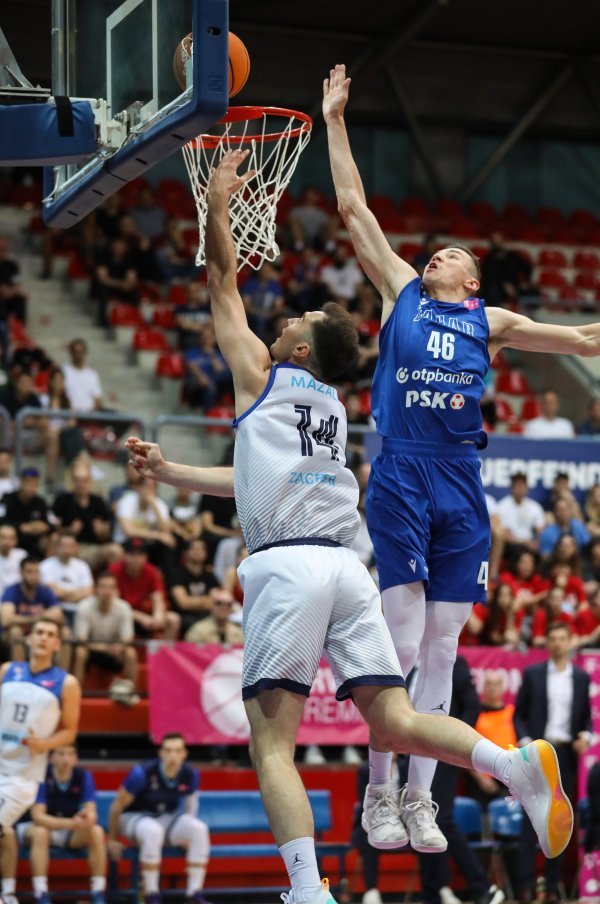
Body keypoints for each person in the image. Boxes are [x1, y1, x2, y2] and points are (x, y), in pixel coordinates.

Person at [124, 149, 574, 904]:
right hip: (344, 572)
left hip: (287, 568)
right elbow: (252, 478)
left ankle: (307, 890)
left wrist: (217, 203)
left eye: (294, 322)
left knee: (273, 744)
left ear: (298, 352)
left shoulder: (258, 377)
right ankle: (511, 765)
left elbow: (222, 281)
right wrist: (172, 473)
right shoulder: (333, 409)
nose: (282, 321)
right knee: (395, 715)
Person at [323, 62, 600, 855]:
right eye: (434, 249)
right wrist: (335, 120)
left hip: (460, 480)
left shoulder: (493, 321)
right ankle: (379, 792)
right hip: (403, 469)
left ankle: (421, 799)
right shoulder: (401, 291)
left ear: (471, 279)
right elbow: (353, 206)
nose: (436, 253)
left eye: (451, 252)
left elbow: (584, 338)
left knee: (444, 644)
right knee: (402, 643)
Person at [0, 617, 81, 904]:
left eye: (50, 634)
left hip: (21, 776)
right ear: (29, 639)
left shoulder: (66, 683)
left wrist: (44, 744)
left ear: (57, 644)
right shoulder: (8, 670)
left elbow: (70, 731)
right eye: (39, 632)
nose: (44, 637)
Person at [513, 621, 592, 904]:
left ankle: (552, 888)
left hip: (565, 756)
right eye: (553, 638)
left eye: (562, 638)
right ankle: (525, 887)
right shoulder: (533, 674)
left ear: (570, 642)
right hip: (537, 753)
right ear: (547, 643)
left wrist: (585, 735)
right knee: (529, 821)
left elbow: (585, 719)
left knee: (559, 821)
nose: (558, 643)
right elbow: (518, 714)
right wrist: (525, 744)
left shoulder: (581, 678)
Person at [107, 732, 211, 904]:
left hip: (165, 818)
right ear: (161, 753)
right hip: (133, 817)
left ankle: (194, 893)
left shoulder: (190, 774)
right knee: (152, 831)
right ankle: (152, 894)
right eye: (168, 750)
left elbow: (190, 806)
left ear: (184, 753)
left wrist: (185, 836)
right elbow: (116, 807)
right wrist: (112, 839)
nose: (173, 755)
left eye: (177, 751)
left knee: (199, 830)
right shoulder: (142, 773)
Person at [17, 744, 106, 904]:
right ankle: (41, 892)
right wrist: (72, 823)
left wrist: (86, 817)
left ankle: (98, 891)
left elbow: (91, 811)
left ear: (76, 758)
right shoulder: (41, 776)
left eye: (70, 754)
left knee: (96, 831)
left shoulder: (83, 776)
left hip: (65, 829)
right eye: (61, 754)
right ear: (50, 758)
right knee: (41, 833)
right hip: (33, 827)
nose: (66, 758)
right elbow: (38, 817)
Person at [73, 572, 137, 686]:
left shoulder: (124, 607)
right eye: (103, 587)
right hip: (92, 649)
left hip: (114, 651)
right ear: (96, 589)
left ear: (116, 590)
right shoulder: (84, 607)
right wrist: (103, 648)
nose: (107, 591)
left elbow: (128, 637)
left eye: (111, 587)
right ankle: (76, 691)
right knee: (80, 652)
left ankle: (130, 691)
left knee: (130, 653)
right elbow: (81, 639)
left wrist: (119, 647)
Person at [108, 538, 180, 640]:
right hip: (123, 614)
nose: (136, 558)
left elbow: (158, 598)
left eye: (140, 554)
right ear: (124, 556)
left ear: (146, 557)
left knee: (173, 619)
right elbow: (113, 603)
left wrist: (158, 616)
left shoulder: (151, 571)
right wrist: (141, 618)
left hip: (145, 614)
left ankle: (163, 650)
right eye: (132, 554)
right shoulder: (114, 570)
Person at [1, 557, 64, 662]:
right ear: (21, 573)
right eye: (29, 572)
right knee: (15, 631)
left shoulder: (45, 591)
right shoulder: (11, 591)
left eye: (36, 572)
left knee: (65, 632)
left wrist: (21, 619)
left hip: (38, 631)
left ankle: (59, 672)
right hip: (15, 634)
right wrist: (37, 618)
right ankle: (20, 670)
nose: (34, 577)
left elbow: (58, 615)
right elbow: (6, 619)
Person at [169, 539, 220, 636]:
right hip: (184, 617)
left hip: (207, 616)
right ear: (185, 553)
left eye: (201, 549)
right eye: (194, 549)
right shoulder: (177, 574)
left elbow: (216, 600)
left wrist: (192, 601)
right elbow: (183, 603)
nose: (198, 552)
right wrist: (205, 600)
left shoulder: (209, 575)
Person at [40, 532, 94, 620]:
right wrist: (78, 592)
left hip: (79, 610)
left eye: (70, 546)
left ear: (76, 547)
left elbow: (88, 592)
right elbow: (51, 592)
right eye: (64, 546)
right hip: (55, 608)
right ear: (57, 546)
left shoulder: (82, 566)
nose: (67, 550)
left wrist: (62, 594)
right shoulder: (45, 565)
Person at [62, 339, 103, 412]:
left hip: (89, 415)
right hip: (69, 414)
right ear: (71, 353)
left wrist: (91, 414)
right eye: (75, 352)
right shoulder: (64, 371)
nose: (78, 355)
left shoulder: (92, 375)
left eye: (81, 352)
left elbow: (97, 399)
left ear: (85, 353)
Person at [0, 523, 27, 597]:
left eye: (11, 538)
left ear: (16, 540)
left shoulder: (22, 555)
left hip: (19, 598)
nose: (7, 541)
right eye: (3, 537)